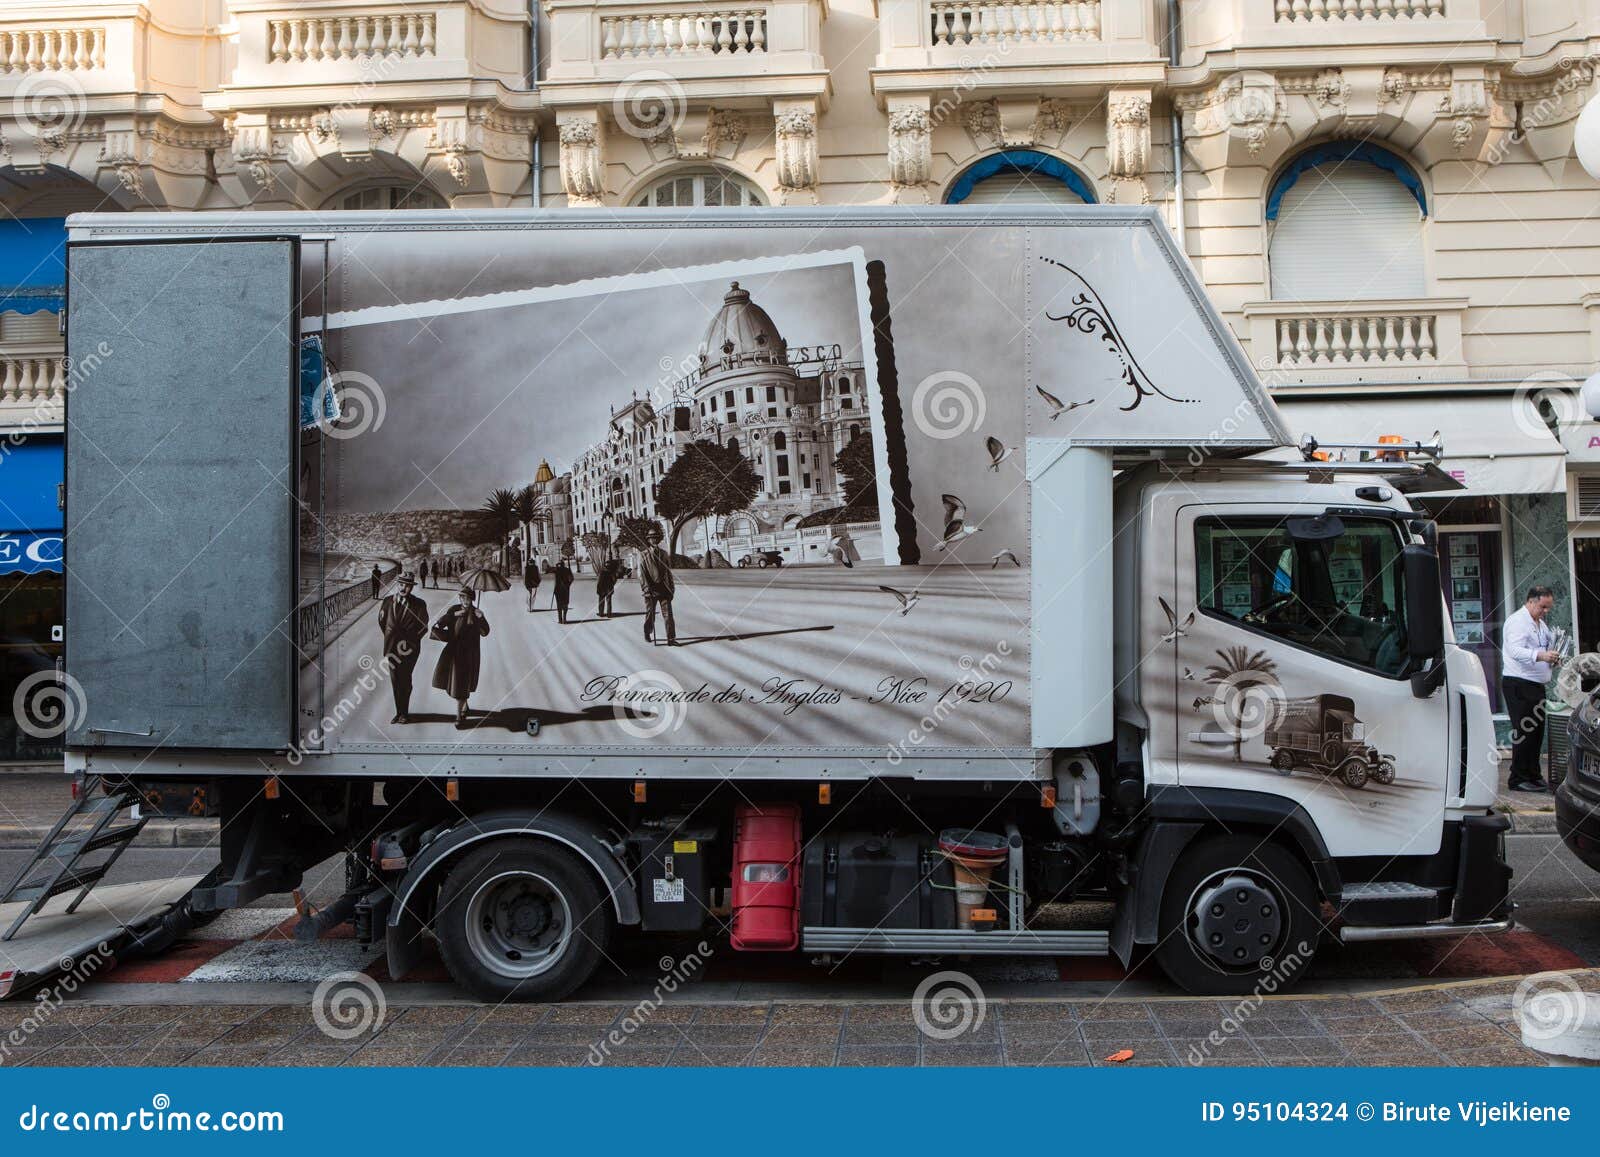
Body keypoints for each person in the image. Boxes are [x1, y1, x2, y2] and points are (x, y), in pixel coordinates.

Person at [1503, 584, 1561, 792]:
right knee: (1524, 732)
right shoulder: (1518, 622)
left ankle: (1533, 774)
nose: (1545, 612)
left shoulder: (1540, 624)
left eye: (1548, 608)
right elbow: (1515, 650)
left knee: (1536, 732)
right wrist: (1541, 656)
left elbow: (1543, 648)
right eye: (1543, 607)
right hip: (1519, 683)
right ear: (1531, 601)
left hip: (1535, 684)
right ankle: (1517, 778)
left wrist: (1552, 658)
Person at [431, 587, 490, 728]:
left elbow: (485, 632)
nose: (465, 601)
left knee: (462, 684)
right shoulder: (453, 610)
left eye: (468, 598)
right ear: (459, 598)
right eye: (462, 598)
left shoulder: (476, 613)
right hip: (454, 652)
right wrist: (454, 615)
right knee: (458, 683)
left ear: (472, 599)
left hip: (470, 653)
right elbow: (438, 625)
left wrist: (481, 618)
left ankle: (459, 716)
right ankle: (465, 707)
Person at [378, 573, 428, 724]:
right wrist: (391, 638)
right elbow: (382, 622)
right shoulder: (387, 601)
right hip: (391, 648)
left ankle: (404, 713)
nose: (403, 588)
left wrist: (410, 642)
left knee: (405, 679)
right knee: (395, 680)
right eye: (401, 584)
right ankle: (398, 712)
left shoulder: (419, 604)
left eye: (407, 585)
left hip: (409, 650)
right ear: (397, 585)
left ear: (411, 587)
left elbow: (423, 627)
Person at [639, 526, 677, 646]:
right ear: (648, 540)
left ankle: (671, 639)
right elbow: (641, 573)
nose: (654, 540)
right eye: (651, 538)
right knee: (650, 615)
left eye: (656, 538)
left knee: (668, 615)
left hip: (664, 588)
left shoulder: (664, 554)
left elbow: (668, 572)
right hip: (650, 589)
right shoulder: (643, 554)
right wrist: (646, 587)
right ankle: (647, 632)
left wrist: (671, 587)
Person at [552, 559, 573, 624]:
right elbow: (571, 579)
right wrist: (568, 585)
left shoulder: (557, 570)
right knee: (565, 604)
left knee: (559, 605)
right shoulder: (567, 570)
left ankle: (560, 619)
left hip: (558, 590)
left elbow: (549, 570)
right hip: (565, 590)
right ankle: (564, 619)